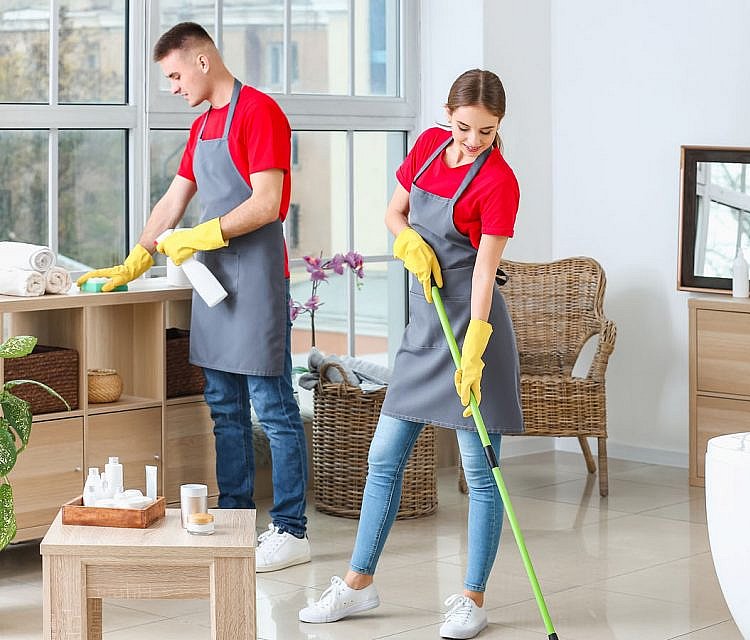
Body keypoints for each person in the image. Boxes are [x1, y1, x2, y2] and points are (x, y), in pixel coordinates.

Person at [76, 22, 311, 572]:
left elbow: (269, 202)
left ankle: (291, 529)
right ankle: (233, 520)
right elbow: (175, 197)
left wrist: (206, 235)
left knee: (274, 410)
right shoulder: (203, 123)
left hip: (255, 281)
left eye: (176, 75)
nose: (175, 87)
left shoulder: (259, 112)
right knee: (224, 410)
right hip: (214, 286)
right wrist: (138, 255)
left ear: (203, 62)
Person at [297, 69, 522, 640]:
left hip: (472, 327)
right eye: (463, 127)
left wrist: (475, 349)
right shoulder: (425, 148)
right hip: (425, 329)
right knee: (383, 458)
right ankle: (357, 585)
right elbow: (394, 212)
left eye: (486, 132)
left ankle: (472, 598)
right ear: (448, 116)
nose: (472, 141)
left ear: (499, 128)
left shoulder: (499, 182)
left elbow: (484, 274)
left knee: (480, 473)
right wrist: (407, 241)